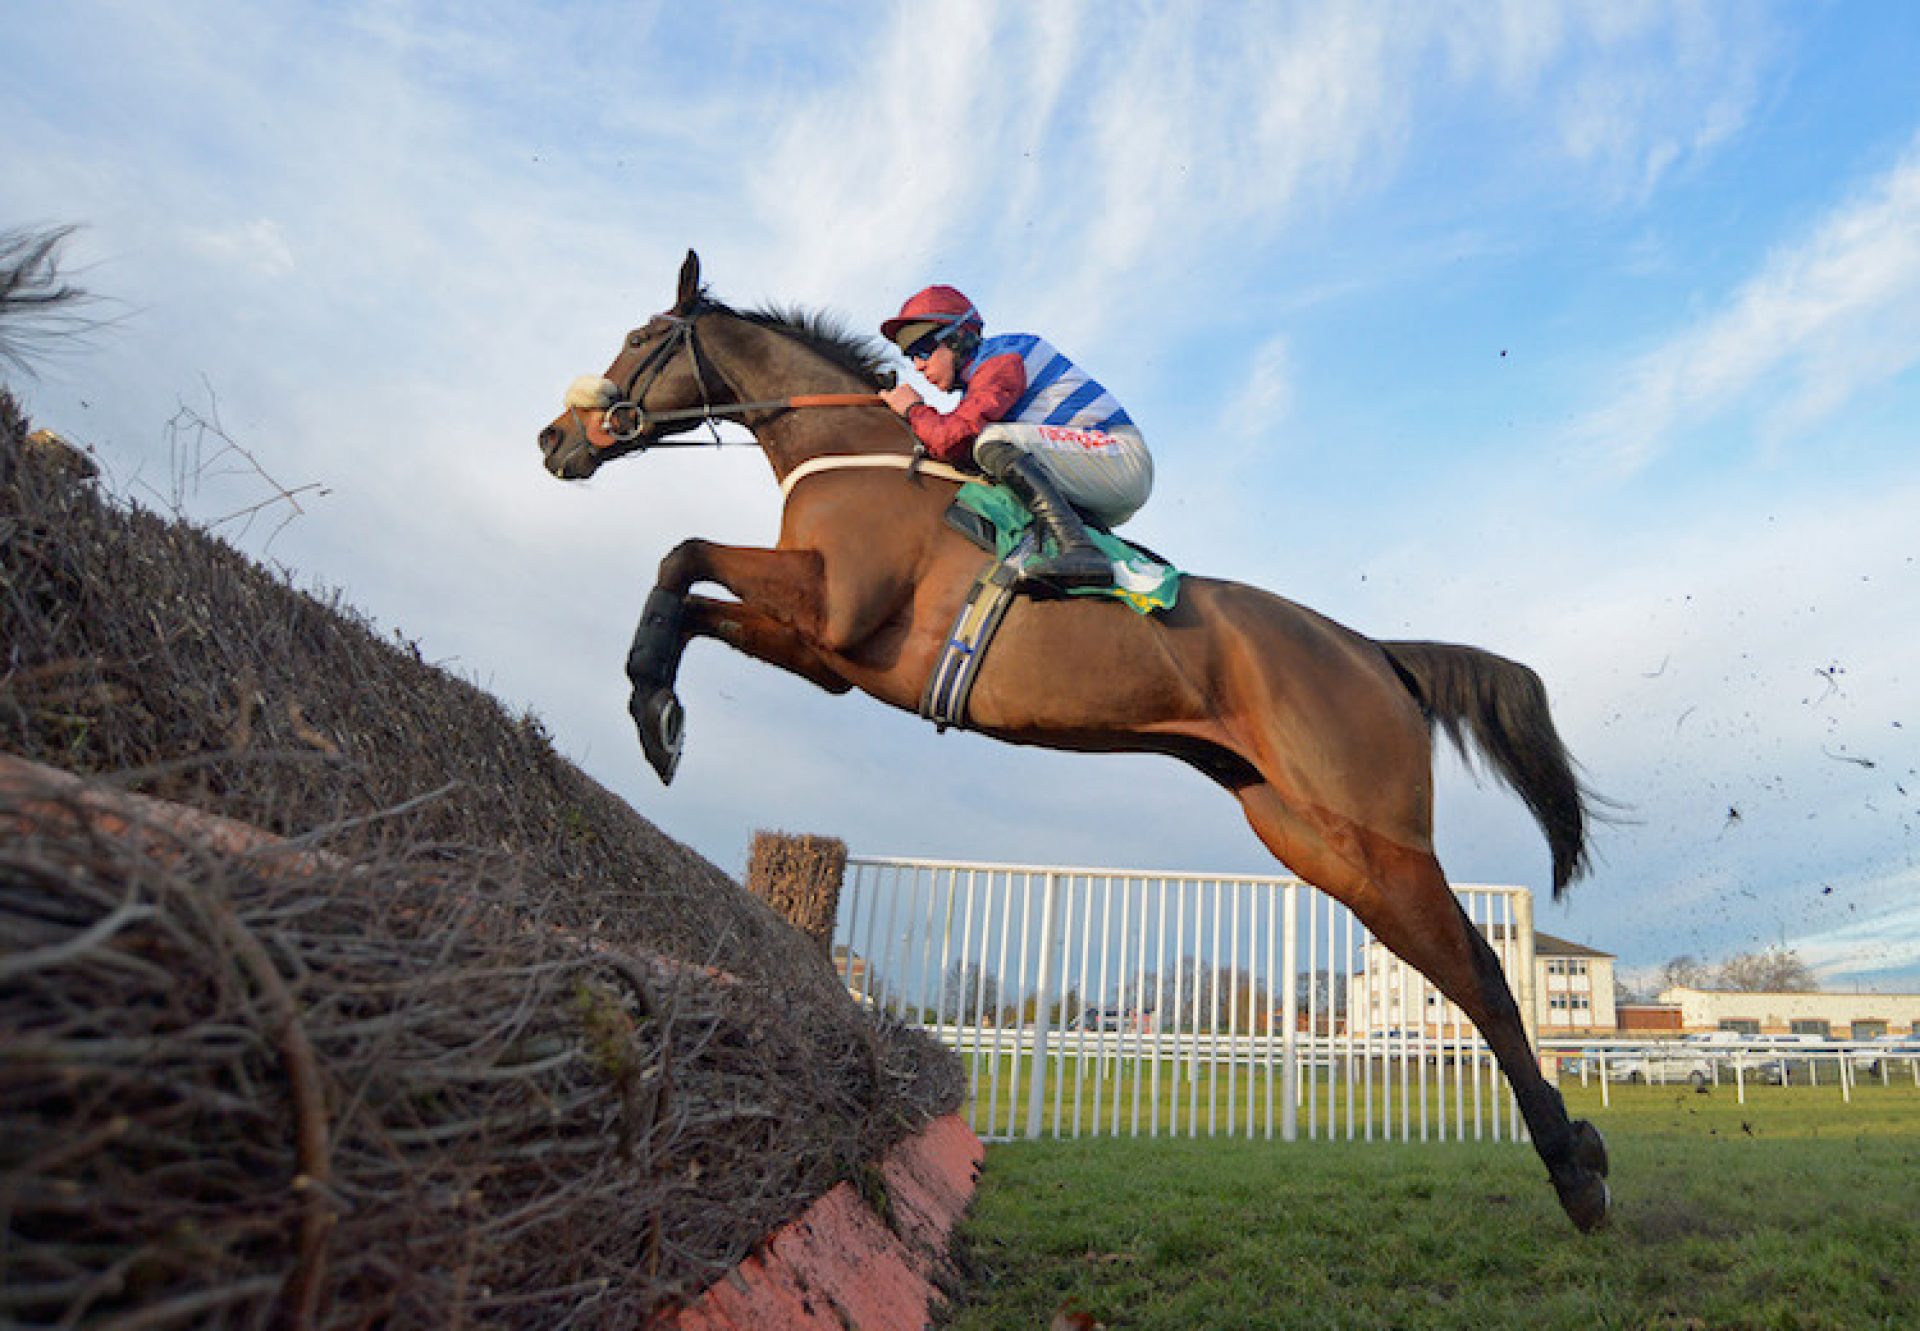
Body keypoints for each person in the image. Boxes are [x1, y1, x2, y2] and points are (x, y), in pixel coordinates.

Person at [879, 285, 1153, 592]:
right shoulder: (978, 383)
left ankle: (1081, 551)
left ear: (956, 338)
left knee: (989, 441)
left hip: (1120, 459)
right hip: (1095, 478)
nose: (917, 366)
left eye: (924, 350)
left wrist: (914, 409)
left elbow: (951, 439)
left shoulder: (1003, 359)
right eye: (910, 356)